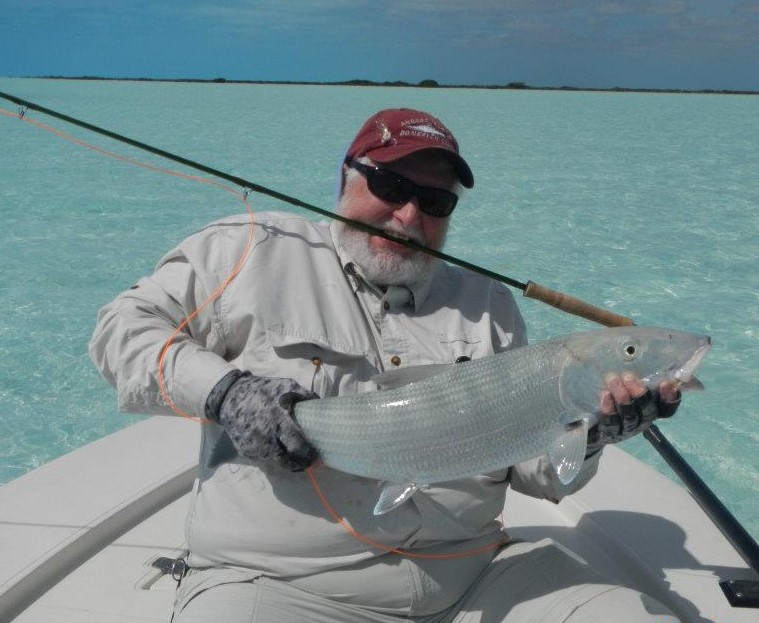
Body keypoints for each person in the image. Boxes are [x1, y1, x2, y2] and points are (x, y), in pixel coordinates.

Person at [89, 108, 683, 622]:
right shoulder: (245, 251)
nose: (408, 216)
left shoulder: (490, 306)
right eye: (390, 185)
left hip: (473, 580)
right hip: (279, 584)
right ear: (346, 176)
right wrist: (226, 392)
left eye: (434, 200)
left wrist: (593, 433)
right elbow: (121, 332)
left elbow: (532, 472)